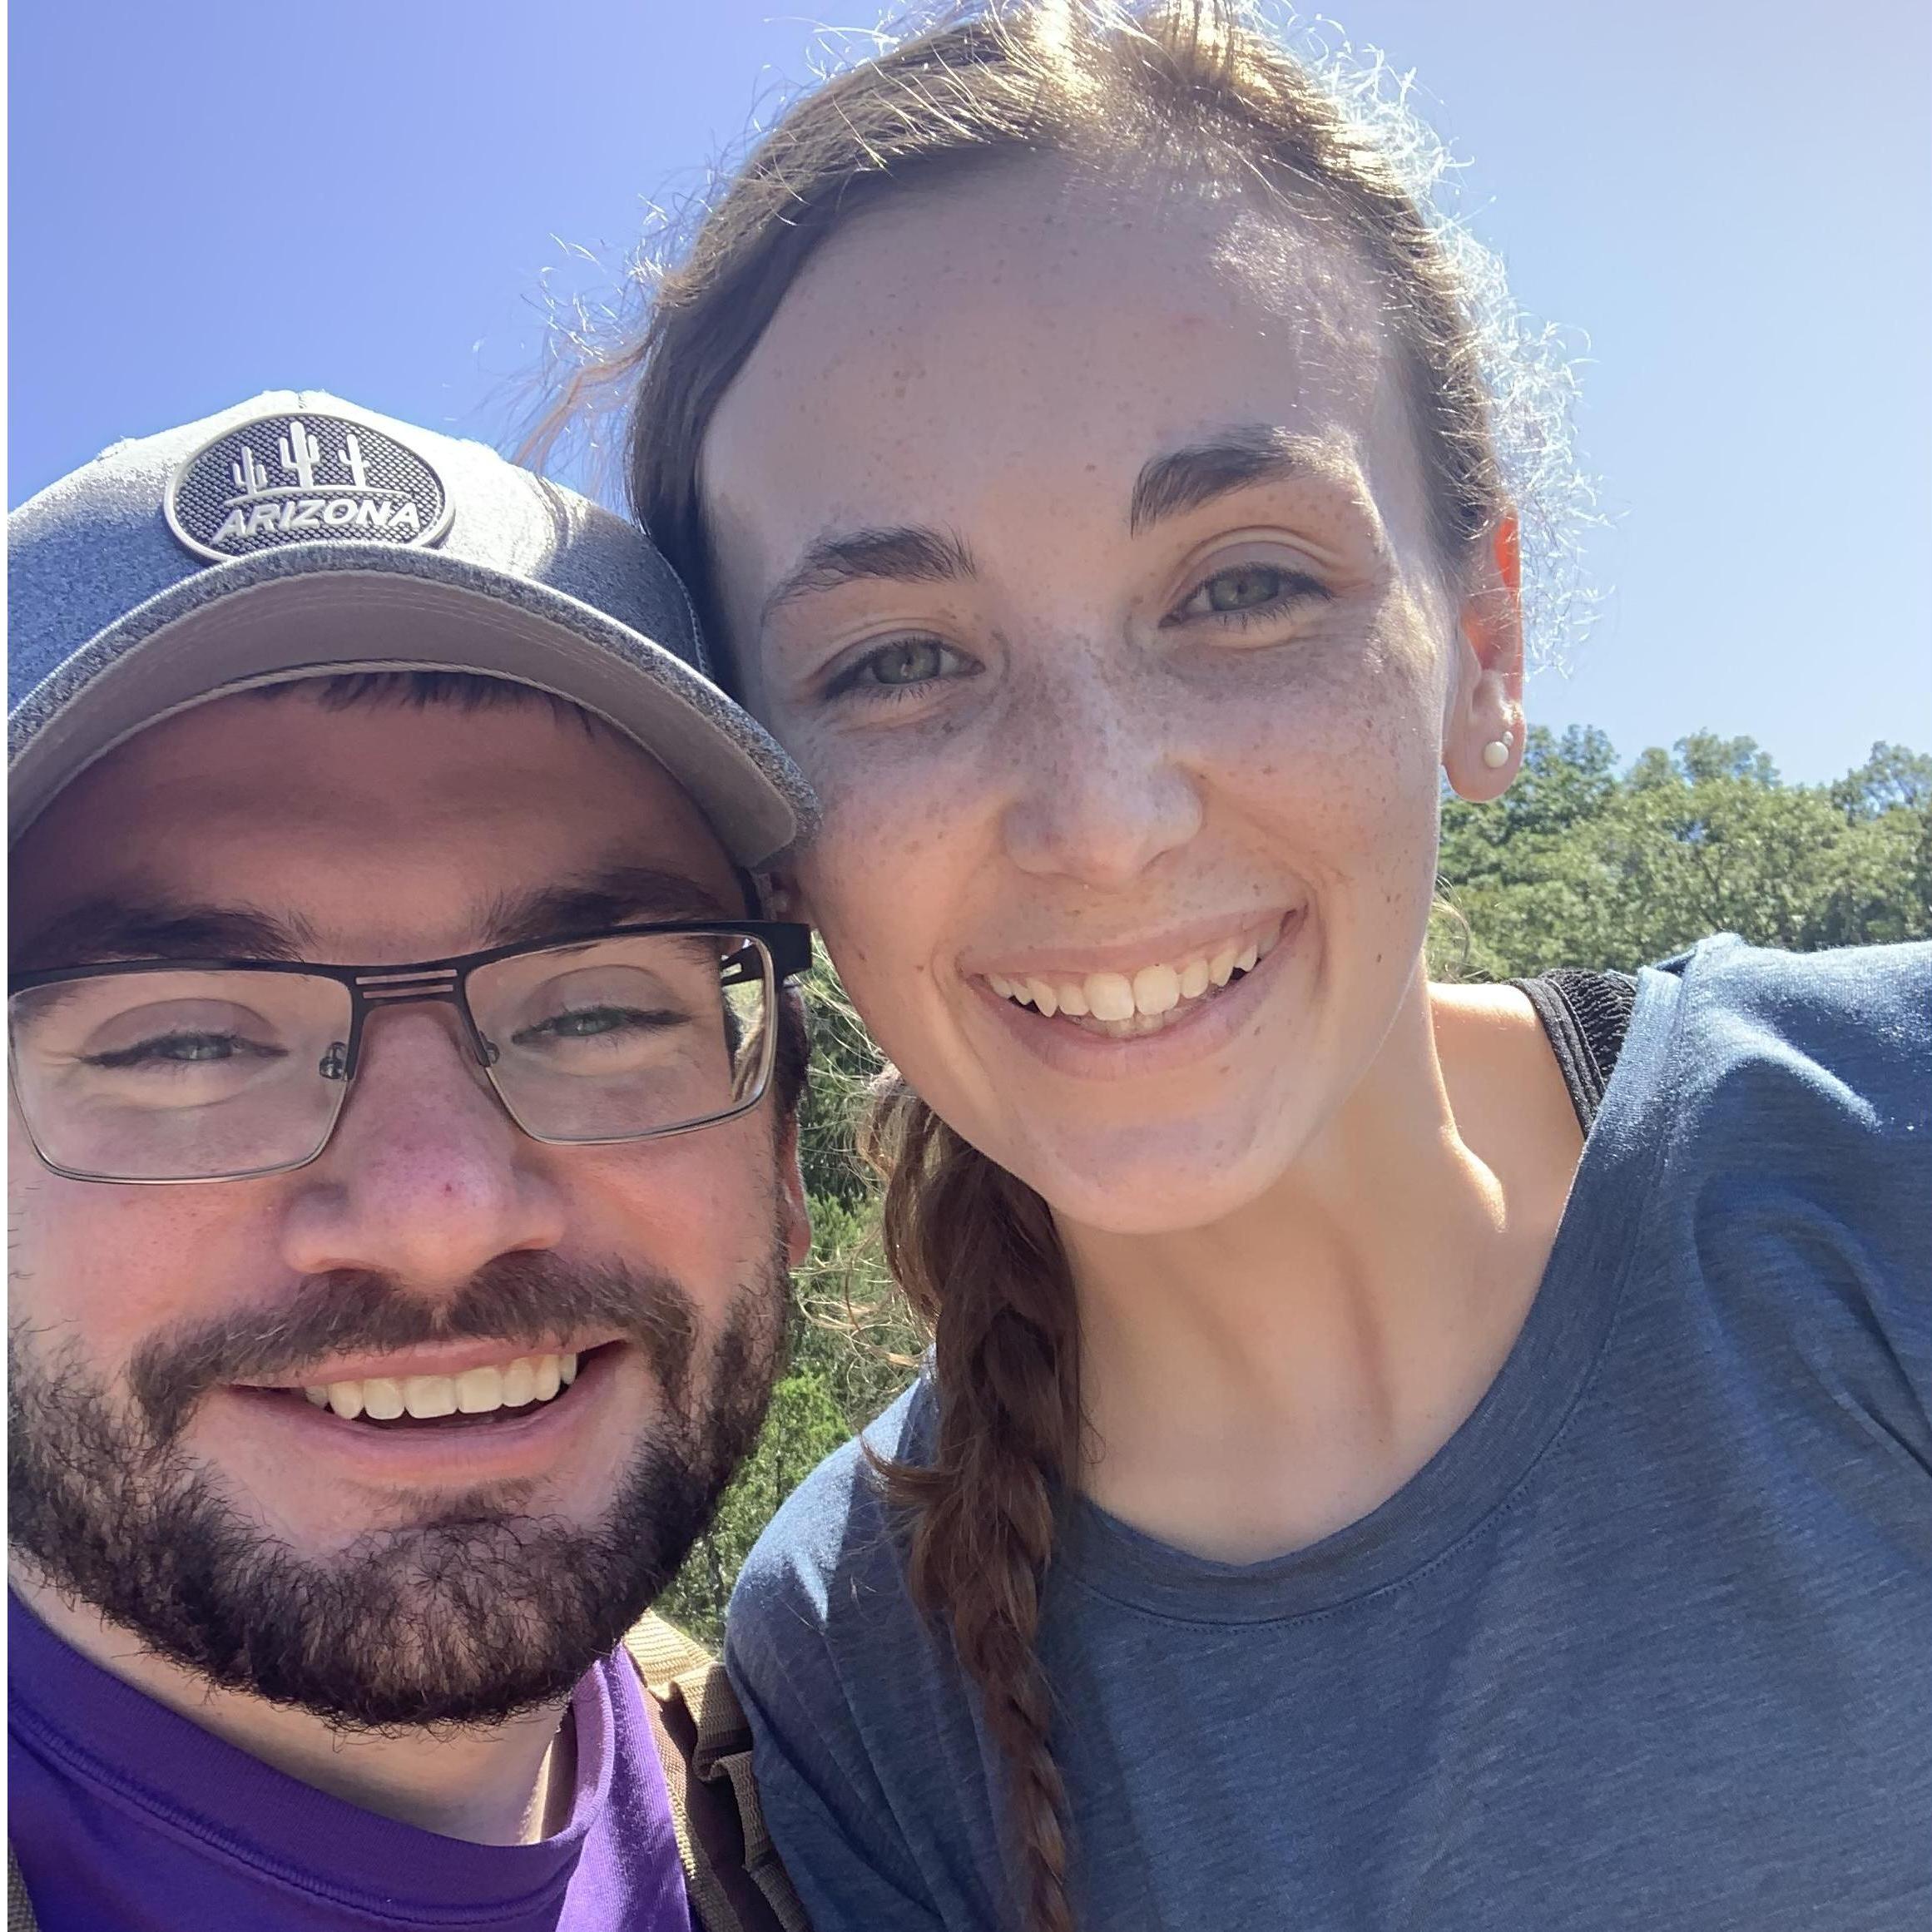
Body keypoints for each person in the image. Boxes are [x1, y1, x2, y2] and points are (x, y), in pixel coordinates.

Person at [579, 4, 1932, 1928]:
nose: (1103, 816)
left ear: (1486, 649)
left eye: (1241, 587)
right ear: (774, 834)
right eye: (896, 660)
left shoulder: (1882, 1164)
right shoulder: (853, 1663)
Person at [7, 392, 821, 1932]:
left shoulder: (858, 1797)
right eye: (183, 1045)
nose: (440, 1210)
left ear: (778, 1147)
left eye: (594, 1008)